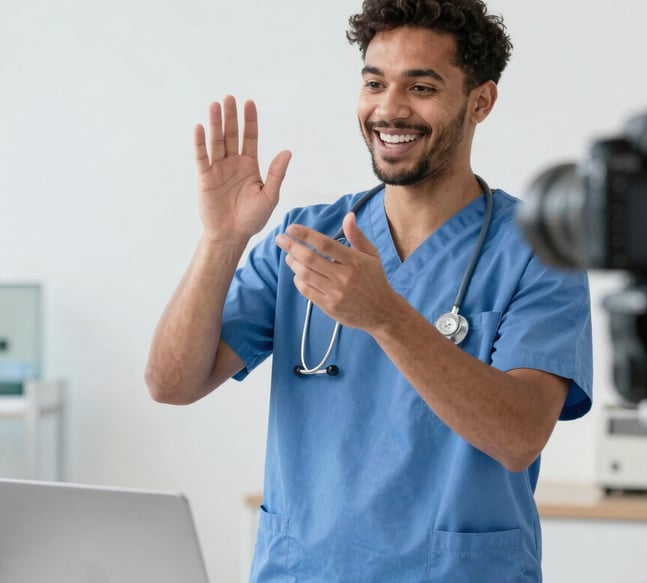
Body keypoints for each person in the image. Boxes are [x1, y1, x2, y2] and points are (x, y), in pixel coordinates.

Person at [145, 0, 593, 580]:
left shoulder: (539, 249)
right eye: (375, 83)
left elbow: (520, 436)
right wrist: (221, 239)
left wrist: (385, 315)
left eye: (421, 87)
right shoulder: (306, 238)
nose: (389, 109)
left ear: (480, 101)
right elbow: (171, 384)